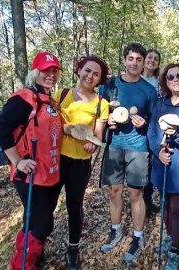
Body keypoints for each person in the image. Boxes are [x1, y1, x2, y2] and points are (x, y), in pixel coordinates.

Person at [0, 52, 63, 270]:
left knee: (32, 219)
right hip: (30, 173)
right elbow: (0, 128)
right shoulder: (25, 98)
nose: (50, 75)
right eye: (45, 70)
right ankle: (22, 265)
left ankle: (27, 254)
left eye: (54, 71)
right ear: (35, 73)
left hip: (49, 171)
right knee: (43, 225)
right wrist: (17, 160)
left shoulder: (50, 99)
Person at [99, 42, 158, 264]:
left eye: (139, 60)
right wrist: (108, 122)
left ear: (144, 63)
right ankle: (116, 231)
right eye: (131, 59)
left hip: (137, 148)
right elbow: (100, 115)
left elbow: (153, 122)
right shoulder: (110, 85)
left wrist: (144, 123)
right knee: (114, 191)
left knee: (136, 195)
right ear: (124, 60)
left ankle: (138, 237)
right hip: (115, 146)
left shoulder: (149, 90)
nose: (134, 63)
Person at [53, 56, 109, 270]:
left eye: (96, 74)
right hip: (56, 160)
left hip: (80, 164)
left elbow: (98, 135)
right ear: (79, 70)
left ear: (100, 80)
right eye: (87, 70)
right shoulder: (61, 95)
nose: (90, 76)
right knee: (47, 206)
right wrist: (66, 129)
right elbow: (50, 125)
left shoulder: (101, 104)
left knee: (74, 207)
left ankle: (72, 250)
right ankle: (35, 246)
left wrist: (93, 144)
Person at [148, 63, 179, 269]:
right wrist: (157, 152)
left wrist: (176, 134)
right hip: (162, 163)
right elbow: (151, 132)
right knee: (165, 203)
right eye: (170, 77)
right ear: (165, 82)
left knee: (178, 208)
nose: (175, 79)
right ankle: (169, 236)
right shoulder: (159, 104)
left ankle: (175, 250)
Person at [141, 48, 162, 214]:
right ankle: (136, 199)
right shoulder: (134, 79)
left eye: (155, 59)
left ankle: (147, 200)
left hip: (152, 127)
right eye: (150, 57)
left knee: (150, 164)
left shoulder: (159, 84)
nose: (152, 60)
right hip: (134, 128)